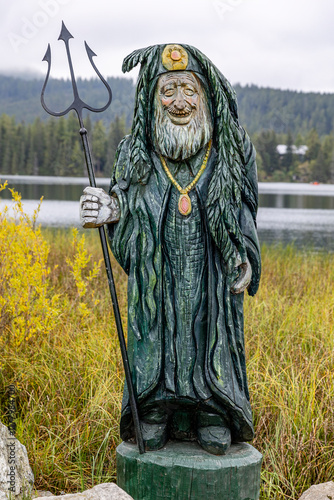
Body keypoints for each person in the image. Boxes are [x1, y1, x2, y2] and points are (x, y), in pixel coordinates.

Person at [80, 44, 261, 455]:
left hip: (211, 275)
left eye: (189, 90)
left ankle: (213, 411)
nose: (179, 102)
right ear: (151, 99)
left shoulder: (231, 150)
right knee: (159, 332)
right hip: (157, 279)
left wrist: (244, 252)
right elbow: (126, 210)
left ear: (206, 96)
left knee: (206, 332)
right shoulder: (135, 152)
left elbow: (246, 208)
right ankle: (157, 407)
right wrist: (111, 210)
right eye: (168, 91)